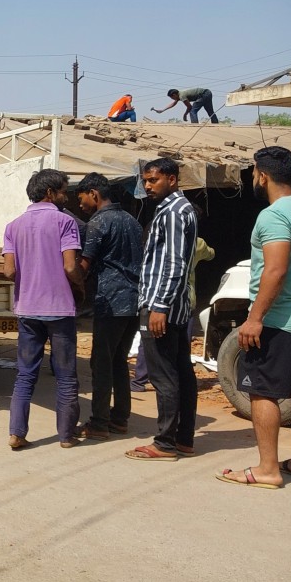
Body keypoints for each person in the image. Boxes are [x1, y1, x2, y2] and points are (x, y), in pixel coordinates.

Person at [217, 147, 291, 488]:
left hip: (278, 320)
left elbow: (275, 269)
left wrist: (254, 318)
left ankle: (268, 469)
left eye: (254, 173)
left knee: (262, 393)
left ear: (262, 175)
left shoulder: (273, 216)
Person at [3, 169, 84, 450]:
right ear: (50, 193)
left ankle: (16, 433)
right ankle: (66, 436)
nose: (66, 196)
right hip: (59, 309)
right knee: (66, 376)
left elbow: (9, 270)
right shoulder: (65, 222)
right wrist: (81, 286)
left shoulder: (13, 226)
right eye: (63, 190)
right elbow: (71, 266)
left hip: (27, 309)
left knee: (25, 375)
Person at [125, 158, 198, 461]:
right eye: (145, 180)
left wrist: (159, 306)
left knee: (164, 375)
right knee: (181, 371)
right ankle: (183, 438)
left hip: (162, 306)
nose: (147, 186)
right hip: (174, 306)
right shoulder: (179, 210)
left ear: (171, 179)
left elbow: (174, 262)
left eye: (153, 180)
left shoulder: (173, 212)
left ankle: (165, 443)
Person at [73, 173, 143, 440]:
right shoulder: (132, 222)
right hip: (134, 302)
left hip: (111, 302)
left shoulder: (99, 222)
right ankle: (120, 418)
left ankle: (99, 422)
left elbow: (84, 265)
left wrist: (70, 284)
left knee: (101, 363)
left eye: (82, 199)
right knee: (118, 361)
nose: (81, 205)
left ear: (94, 193)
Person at [131, 235, 214, 391]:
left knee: (149, 342)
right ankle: (176, 380)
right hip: (186, 301)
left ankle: (139, 380)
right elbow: (211, 254)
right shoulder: (197, 242)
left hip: (158, 300)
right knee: (182, 344)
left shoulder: (161, 242)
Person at [154, 88, 219, 124]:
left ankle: (195, 126)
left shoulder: (182, 96)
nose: (173, 99)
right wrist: (163, 110)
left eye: (172, 98)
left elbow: (189, 107)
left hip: (204, 94)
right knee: (210, 111)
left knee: (193, 111)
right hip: (208, 93)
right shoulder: (179, 95)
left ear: (174, 95)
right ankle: (216, 124)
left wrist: (185, 114)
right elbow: (173, 103)